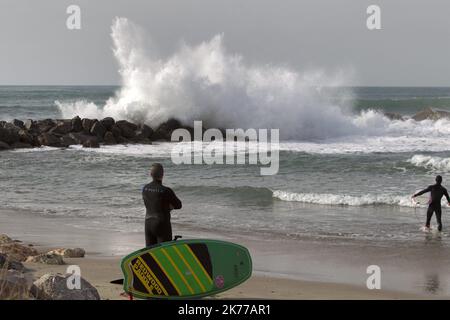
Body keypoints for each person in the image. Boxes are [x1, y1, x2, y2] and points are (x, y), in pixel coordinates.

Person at [142, 163, 182, 246]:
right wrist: (169, 207)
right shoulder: (166, 191)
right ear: (163, 174)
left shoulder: (145, 188)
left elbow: (152, 203)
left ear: (151, 174)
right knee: (164, 252)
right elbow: (179, 205)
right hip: (161, 224)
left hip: (148, 223)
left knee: (150, 253)